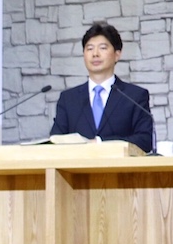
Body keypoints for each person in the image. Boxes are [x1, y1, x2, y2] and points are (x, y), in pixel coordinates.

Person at [50, 21, 153, 152]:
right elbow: (56, 140)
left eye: (103, 48)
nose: (95, 54)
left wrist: (100, 143)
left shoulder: (134, 96)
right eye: (89, 48)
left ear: (117, 55)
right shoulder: (68, 99)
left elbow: (144, 140)